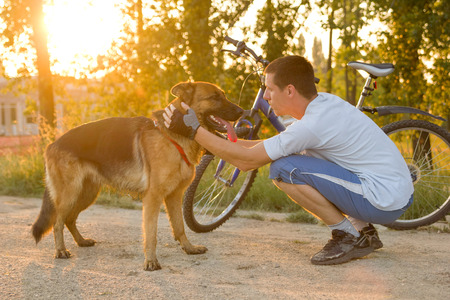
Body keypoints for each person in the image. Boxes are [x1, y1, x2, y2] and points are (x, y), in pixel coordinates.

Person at [163, 55, 414, 265]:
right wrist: (215, 144)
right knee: (293, 159)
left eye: (270, 89)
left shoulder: (311, 125)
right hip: (389, 191)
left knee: (284, 168)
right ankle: (364, 232)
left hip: (383, 200)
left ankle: (346, 236)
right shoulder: (323, 105)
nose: (267, 97)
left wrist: (195, 131)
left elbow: (248, 161)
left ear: (290, 90)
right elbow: (259, 147)